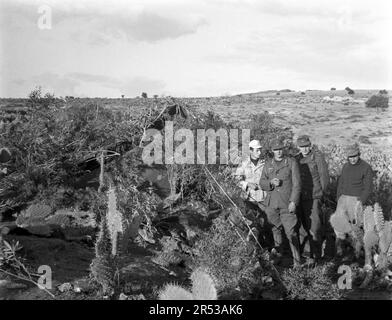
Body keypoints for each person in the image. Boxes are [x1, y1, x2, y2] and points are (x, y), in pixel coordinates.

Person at [259, 137, 302, 267]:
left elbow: (297, 184)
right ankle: (279, 257)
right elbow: (262, 182)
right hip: (272, 204)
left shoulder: (291, 162)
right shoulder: (268, 164)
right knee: (275, 230)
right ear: (272, 151)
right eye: (276, 150)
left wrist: (294, 201)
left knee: (291, 232)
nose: (278, 152)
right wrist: (270, 183)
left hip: (286, 203)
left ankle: (297, 261)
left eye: (280, 149)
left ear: (283, 150)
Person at [329, 143, 373, 259]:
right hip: (343, 199)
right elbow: (341, 182)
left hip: (356, 200)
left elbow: (368, 187)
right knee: (338, 226)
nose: (352, 159)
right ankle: (339, 254)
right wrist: (339, 198)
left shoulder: (366, 167)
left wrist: (360, 202)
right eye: (350, 157)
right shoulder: (345, 166)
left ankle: (356, 255)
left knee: (355, 228)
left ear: (359, 154)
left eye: (354, 156)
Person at [295, 135, 329, 264]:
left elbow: (324, 178)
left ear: (310, 145)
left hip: (314, 196)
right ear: (298, 147)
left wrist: (322, 195)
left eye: (306, 146)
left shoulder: (318, 157)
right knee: (303, 226)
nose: (304, 149)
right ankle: (307, 255)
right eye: (301, 147)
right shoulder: (296, 159)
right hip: (301, 197)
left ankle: (317, 256)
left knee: (314, 227)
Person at [234, 140, 271, 246]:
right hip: (248, 199)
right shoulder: (243, 164)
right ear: (250, 150)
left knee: (266, 223)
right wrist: (247, 184)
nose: (259, 152)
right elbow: (236, 180)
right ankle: (254, 245)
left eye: (260, 150)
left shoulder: (266, 163)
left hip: (264, 199)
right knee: (253, 223)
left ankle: (269, 246)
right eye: (257, 150)